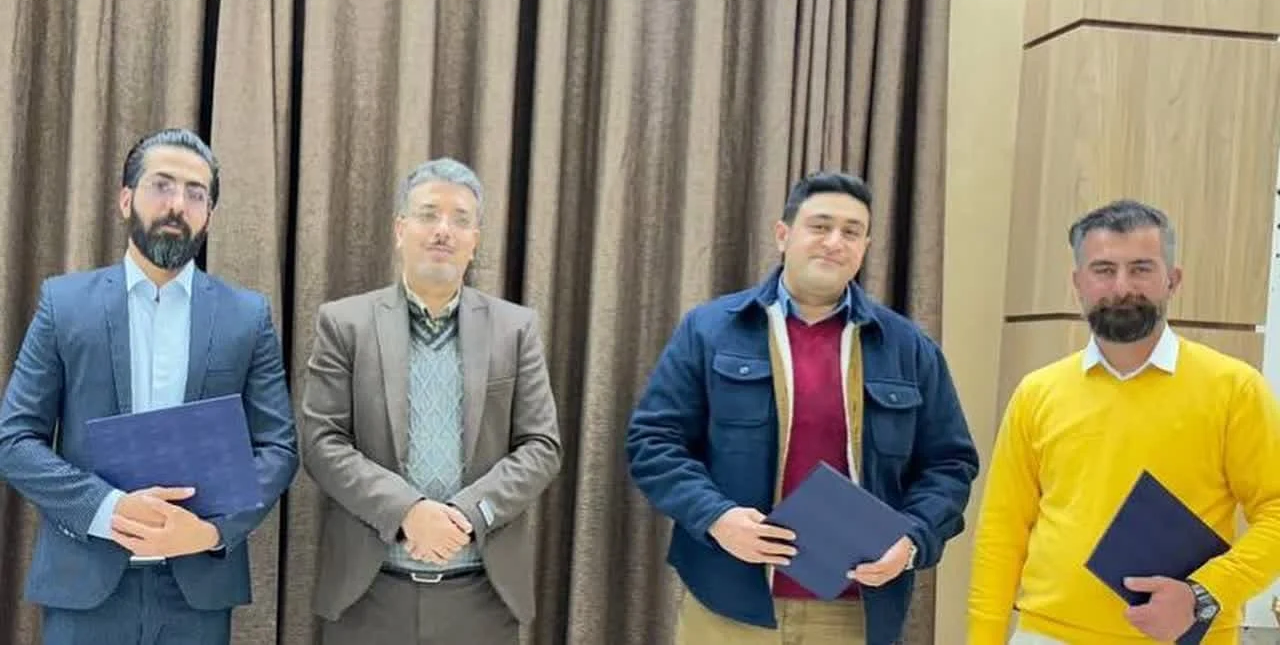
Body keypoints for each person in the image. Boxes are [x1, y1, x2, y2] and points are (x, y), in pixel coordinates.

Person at [626, 171, 979, 645]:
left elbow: (950, 465)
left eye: (851, 231)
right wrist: (716, 517)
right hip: (729, 603)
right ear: (783, 234)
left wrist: (913, 539)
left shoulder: (908, 348)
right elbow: (654, 442)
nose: (834, 242)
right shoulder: (710, 331)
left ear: (865, 247)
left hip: (853, 612)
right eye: (820, 226)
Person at [0, 127, 298, 645]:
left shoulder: (248, 317)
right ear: (125, 199)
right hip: (85, 585)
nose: (177, 204)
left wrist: (210, 531)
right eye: (162, 185)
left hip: (197, 590)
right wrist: (107, 508)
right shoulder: (64, 305)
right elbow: (14, 440)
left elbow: (278, 449)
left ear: (209, 216)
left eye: (196, 193)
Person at [968, 199, 1280, 644]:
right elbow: (1003, 531)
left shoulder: (1234, 389)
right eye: (1103, 269)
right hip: (1047, 634)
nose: (1121, 287)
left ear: (1173, 280)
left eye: (1141, 269)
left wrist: (1203, 594)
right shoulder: (1037, 393)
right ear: (1078, 282)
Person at [301, 157, 562, 645]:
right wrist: (407, 511)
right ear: (400, 229)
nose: (443, 230)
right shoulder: (344, 324)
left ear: (475, 241)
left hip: (482, 597)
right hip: (370, 595)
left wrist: (468, 513)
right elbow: (321, 442)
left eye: (460, 219)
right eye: (428, 214)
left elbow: (541, 446)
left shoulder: (515, 328)